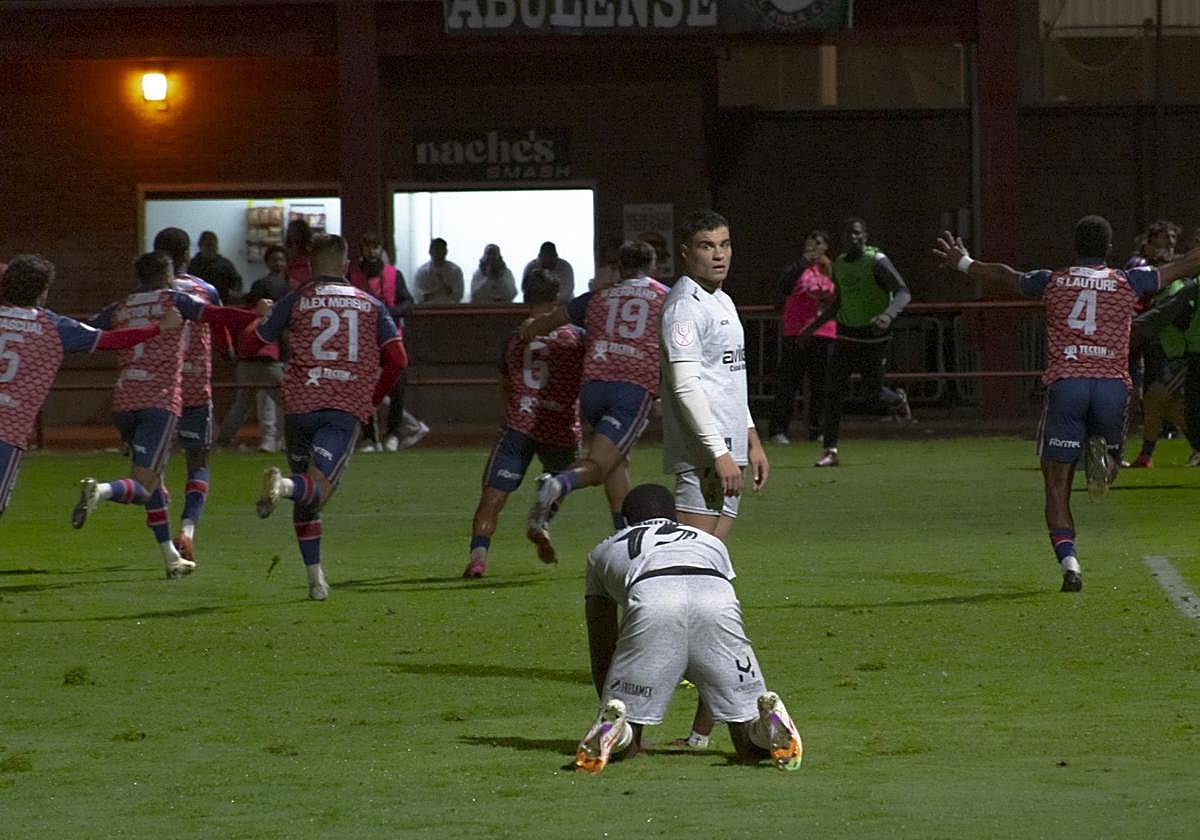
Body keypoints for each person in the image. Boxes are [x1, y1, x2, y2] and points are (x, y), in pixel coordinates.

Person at [932, 217, 1200, 592]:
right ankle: (1104, 460)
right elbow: (1185, 265)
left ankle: (1070, 565)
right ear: (1109, 249)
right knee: (1107, 465)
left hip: (1069, 383)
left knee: (1056, 483)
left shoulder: (1052, 280)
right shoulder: (1129, 280)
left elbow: (1007, 276)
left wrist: (963, 262)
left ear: (1074, 247)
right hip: (1111, 385)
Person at [573, 483, 802, 774]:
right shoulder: (710, 542)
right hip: (714, 598)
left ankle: (619, 730)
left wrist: (612, 698)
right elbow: (715, 613)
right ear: (675, 517)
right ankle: (763, 727)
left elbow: (601, 637)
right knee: (747, 743)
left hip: (653, 597)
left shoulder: (602, 551)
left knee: (628, 744)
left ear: (625, 520)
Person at [74, 251, 261, 577]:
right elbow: (216, 316)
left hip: (124, 400)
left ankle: (171, 558)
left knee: (155, 484)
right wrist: (255, 314)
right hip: (160, 402)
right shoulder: (175, 300)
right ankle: (101, 490)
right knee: (146, 484)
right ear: (166, 275)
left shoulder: (122, 306)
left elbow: (87, 330)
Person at [251, 234, 409, 600]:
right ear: (345, 264)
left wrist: (261, 318)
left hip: (299, 405)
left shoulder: (297, 299)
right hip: (341, 406)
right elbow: (398, 360)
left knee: (309, 490)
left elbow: (255, 341)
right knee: (316, 489)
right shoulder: (369, 304)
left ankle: (315, 579)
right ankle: (284, 487)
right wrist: (372, 398)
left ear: (309, 266)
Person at [0, 254, 180, 519]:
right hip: (8, 429)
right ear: (42, 292)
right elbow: (111, 340)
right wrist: (159, 327)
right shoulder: (53, 327)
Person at [522, 241, 668, 554]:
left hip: (593, 388)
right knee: (600, 466)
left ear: (619, 268)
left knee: (617, 461)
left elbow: (549, 322)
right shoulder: (665, 297)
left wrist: (529, 330)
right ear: (652, 267)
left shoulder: (598, 296)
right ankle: (557, 484)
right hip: (631, 386)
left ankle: (624, 535)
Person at [463, 268, 585, 578]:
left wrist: (516, 408)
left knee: (492, 497)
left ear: (525, 295)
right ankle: (540, 520)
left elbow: (505, 381)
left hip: (520, 423)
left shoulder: (515, 337)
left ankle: (478, 559)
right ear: (558, 298)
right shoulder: (576, 337)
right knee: (564, 478)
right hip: (559, 423)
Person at [659, 210, 769, 544]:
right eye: (706, 246)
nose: (718, 254)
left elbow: (728, 376)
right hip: (704, 454)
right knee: (688, 561)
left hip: (729, 447)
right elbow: (685, 385)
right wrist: (717, 453)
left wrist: (751, 438)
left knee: (712, 559)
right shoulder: (684, 307)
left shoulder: (721, 300)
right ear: (685, 253)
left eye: (724, 244)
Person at [155, 226, 231, 562]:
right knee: (197, 461)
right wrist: (228, 352)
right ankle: (187, 531)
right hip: (196, 387)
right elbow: (224, 334)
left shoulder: (150, 293)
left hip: (157, 388)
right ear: (188, 255)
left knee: (152, 464)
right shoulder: (207, 290)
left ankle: (160, 503)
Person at [813, 218, 912, 467]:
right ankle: (830, 450)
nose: (853, 238)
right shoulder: (840, 264)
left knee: (872, 395)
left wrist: (888, 315)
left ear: (865, 236)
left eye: (857, 233)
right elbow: (839, 301)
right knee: (833, 392)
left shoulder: (876, 261)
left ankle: (898, 399)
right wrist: (812, 327)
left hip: (874, 336)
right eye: (848, 234)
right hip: (846, 334)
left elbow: (903, 291)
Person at [348, 232, 428, 453]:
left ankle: (392, 433)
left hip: (392, 338)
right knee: (363, 388)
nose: (372, 251)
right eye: (368, 246)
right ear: (362, 248)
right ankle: (369, 437)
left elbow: (408, 303)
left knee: (397, 387)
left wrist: (392, 312)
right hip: (362, 340)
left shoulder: (394, 275)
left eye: (376, 246)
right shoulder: (352, 275)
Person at [216, 245, 288, 452]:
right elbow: (282, 333)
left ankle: (222, 443)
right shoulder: (279, 301)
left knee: (241, 405)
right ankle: (285, 442)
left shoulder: (249, 314)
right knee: (287, 403)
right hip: (269, 362)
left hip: (246, 363)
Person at [768, 229, 835, 445]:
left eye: (819, 243)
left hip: (824, 332)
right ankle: (778, 430)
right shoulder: (797, 269)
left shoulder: (830, 269)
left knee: (821, 385)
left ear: (825, 247)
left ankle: (818, 430)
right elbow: (783, 288)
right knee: (788, 382)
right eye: (810, 242)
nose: (814, 247)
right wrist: (801, 266)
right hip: (796, 332)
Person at [187, 230, 243, 303]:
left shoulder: (225, 264)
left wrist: (235, 292)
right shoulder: (192, 264)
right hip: (197, 303)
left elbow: (237, 281)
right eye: (208, 245)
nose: (211, 248)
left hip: (221, 303)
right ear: (200, 246)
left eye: (214, 245)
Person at [413, 237, 464, 304]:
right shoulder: (421, 272)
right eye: (437, 249)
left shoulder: (455, 271)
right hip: (427, 311)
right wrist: (437, 290)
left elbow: (458, 296)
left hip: (449, 310)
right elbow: (418, 297)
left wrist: (444, 285)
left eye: (442, 249)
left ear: (446, 252)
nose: (439, 252)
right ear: (430, 252)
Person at [283, 218, 313, 291]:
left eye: (295, 231)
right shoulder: (287, 249)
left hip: (306, 281)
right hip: (291, 281)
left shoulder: (310, 249)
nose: (292, 234)